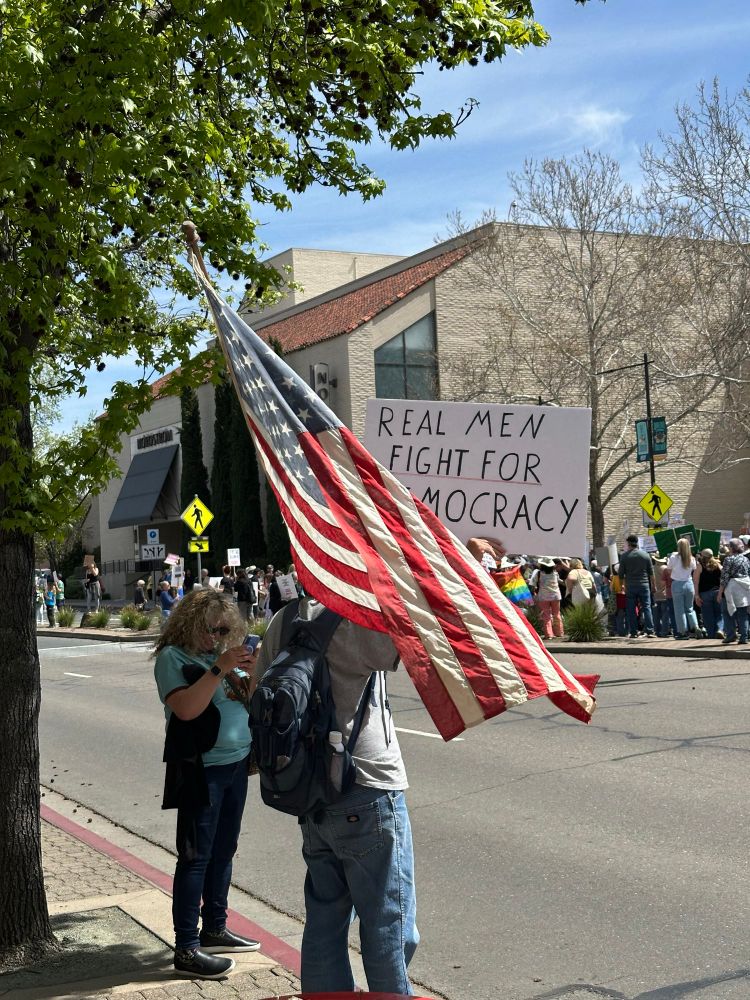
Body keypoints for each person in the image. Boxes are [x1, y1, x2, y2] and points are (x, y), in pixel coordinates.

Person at [254, 596, 418, 995]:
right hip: (365, 784)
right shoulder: (357, 617)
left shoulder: (284, 619)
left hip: (310, 790)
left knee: (325, 920)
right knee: (388, 924)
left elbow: (259, 694)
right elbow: (417, 640)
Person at [153, 589, 260, 979]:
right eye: (210, 629)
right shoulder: (173, 658)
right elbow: (186, 709)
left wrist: (255, 668)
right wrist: (218, 669)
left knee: (224, 849)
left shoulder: (219, 657)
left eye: (223, 630)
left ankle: (215, 927)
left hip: (235, 765)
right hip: (200, 768)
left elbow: (252, 697)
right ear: (190, 625)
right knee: (195, 856)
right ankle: (187, 948)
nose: (216, 637)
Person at [618, 535, 655, 638]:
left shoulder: (624, 556)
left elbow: (621, 574)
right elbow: (651, 573)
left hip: (630, 586)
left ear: (628, 543)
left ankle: (633, 632)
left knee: (631, 609)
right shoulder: (645, 555)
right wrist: (653, 585)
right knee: (647, 607)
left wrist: (622, 586)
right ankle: (650, 631)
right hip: (644, 585)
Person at [717, 538, 750, 645]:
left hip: (732, 589)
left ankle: (731, 635)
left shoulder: (728, 559)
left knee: (727, 612)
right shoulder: (745, 559)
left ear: (731, 548)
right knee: (743, 613)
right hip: (744, 588)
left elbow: (724, 577)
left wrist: (719, 593)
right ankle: (744, 637)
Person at [667, 538, 699, 638]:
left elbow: (668, 569)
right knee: (690, 608)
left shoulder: (673, 557)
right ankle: (695, 626)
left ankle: (682, 632)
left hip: (677, 584)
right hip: (689, 583)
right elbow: (694, 568)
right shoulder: (691, 558)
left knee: (679, 610)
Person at [693, 549, 723, 639]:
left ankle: (711, 635)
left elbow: (696, 581)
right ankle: (720, 630)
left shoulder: (700, 566)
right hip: (717, 592)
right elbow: (723, 579)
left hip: (705, 593)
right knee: (720, 613)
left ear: (702, 556)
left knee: (707, 616)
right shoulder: (718, 564)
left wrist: (696, 595)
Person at [534, 558, 564, 639]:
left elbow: (533, 583)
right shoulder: (555, 573)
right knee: (556, 614)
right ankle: (559, 632)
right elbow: (559, 581)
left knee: (546, 615)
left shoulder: (539, 573)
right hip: (555, 596)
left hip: (544, 597)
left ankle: (549, 634)